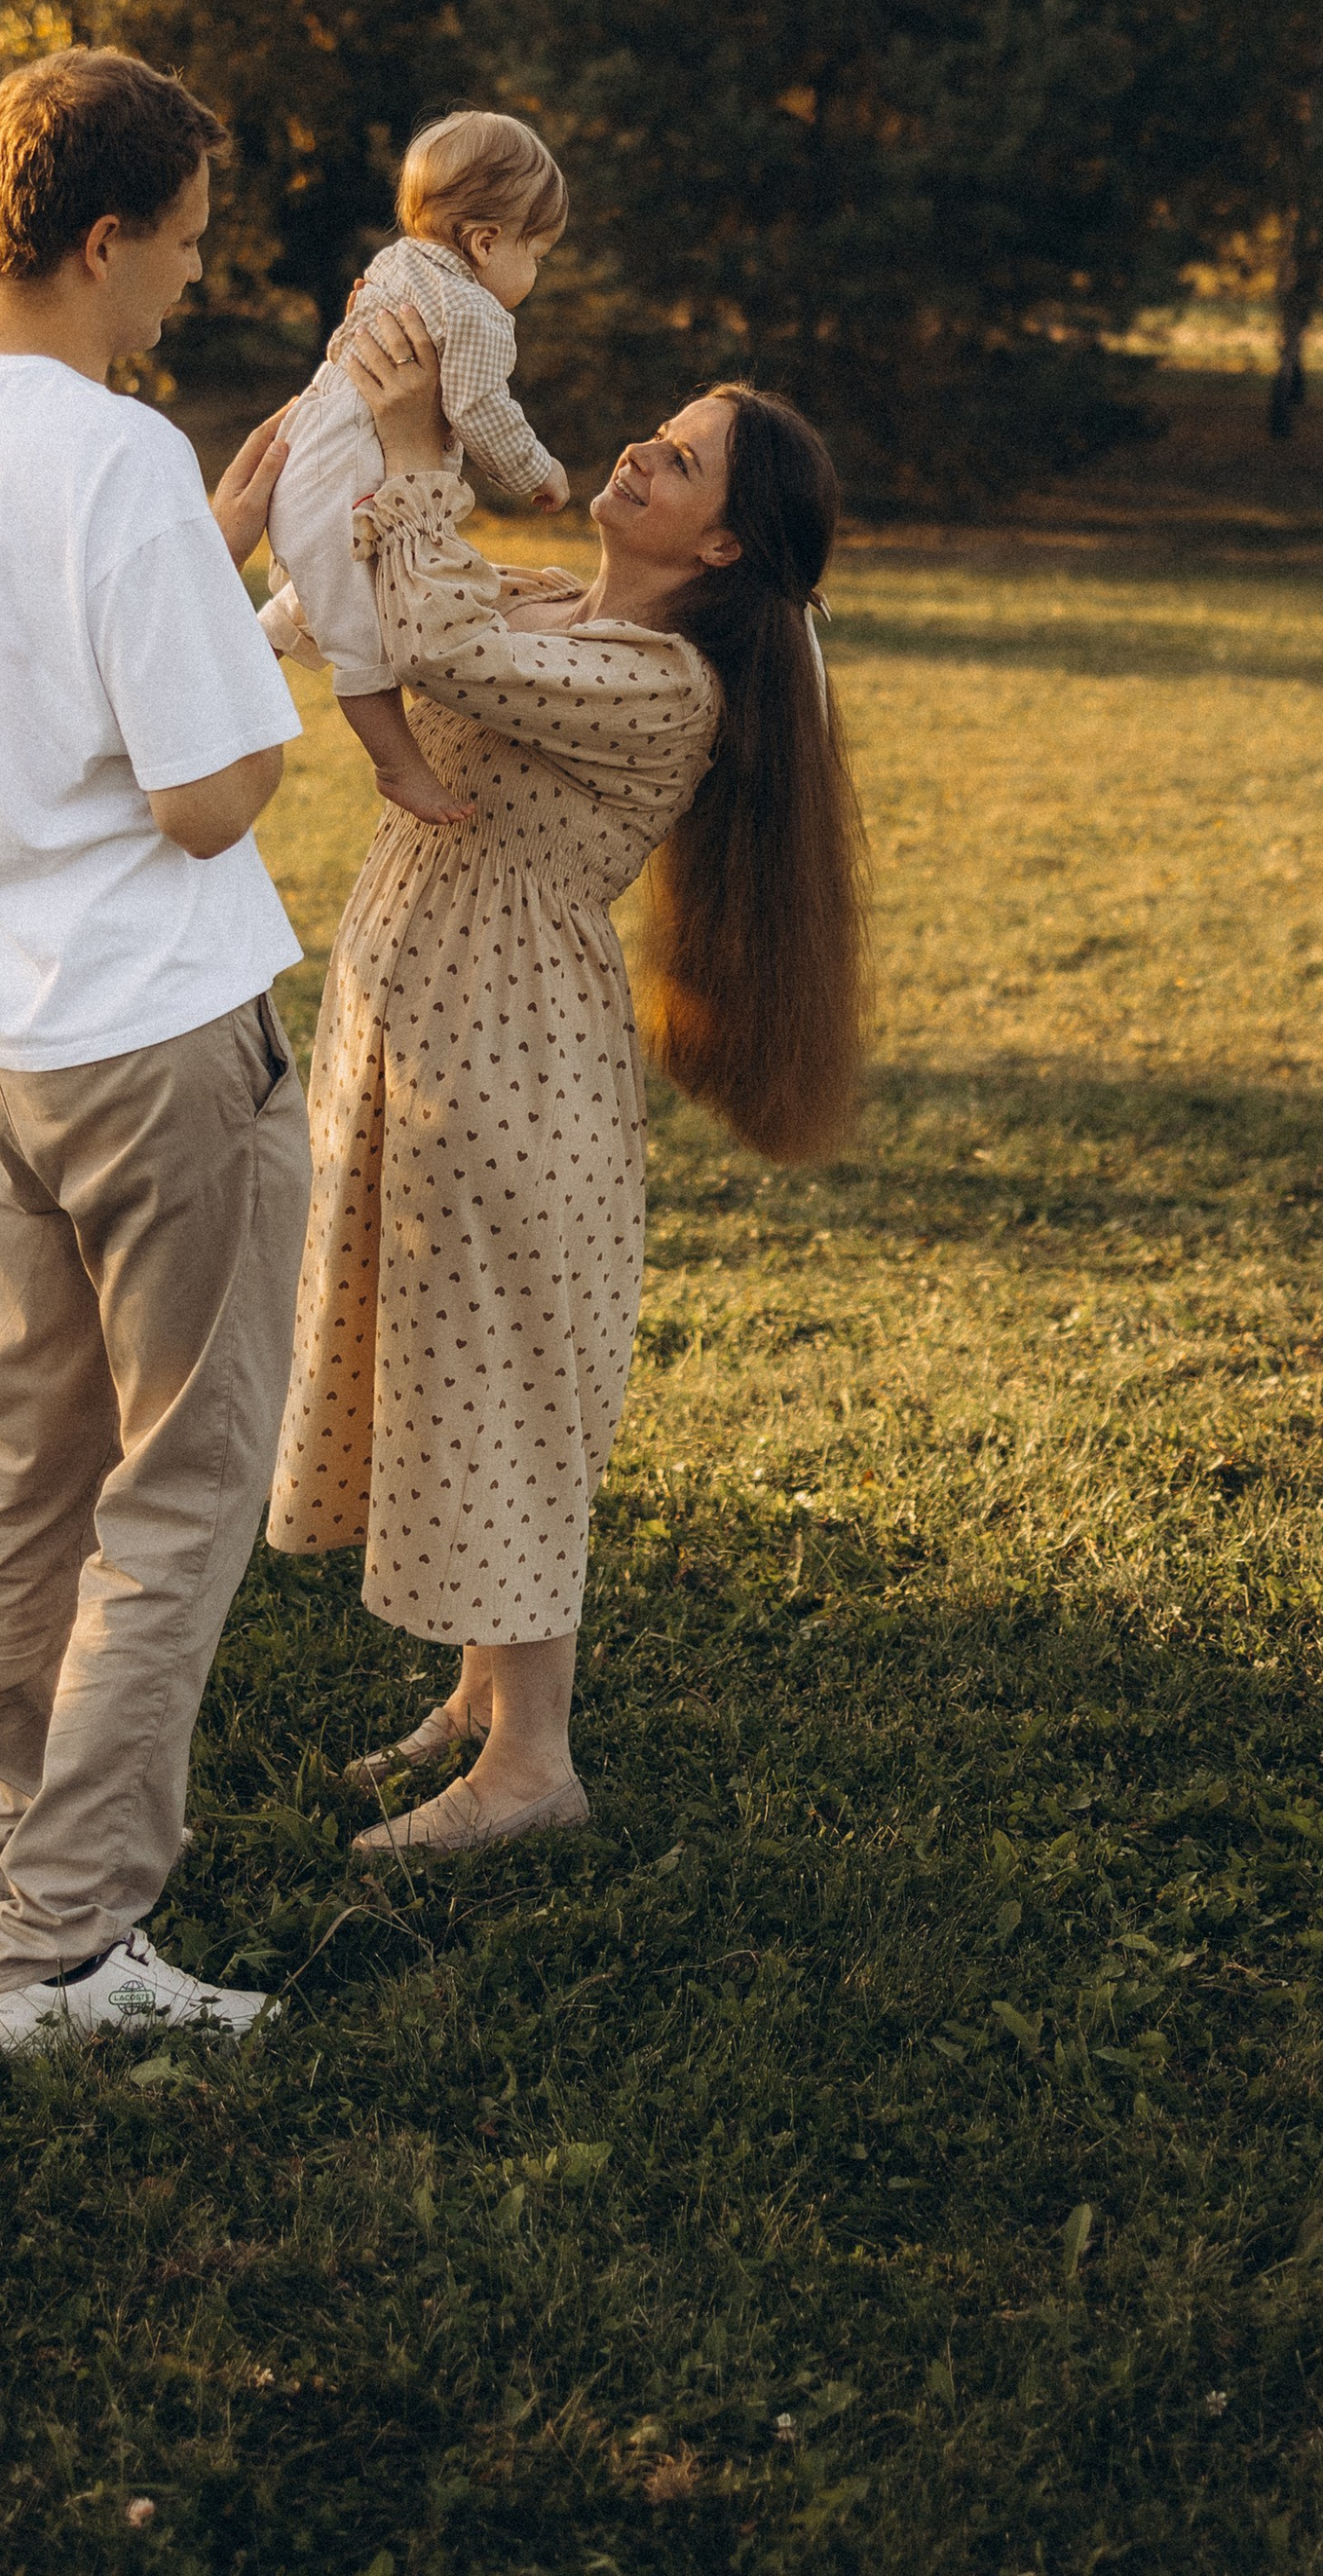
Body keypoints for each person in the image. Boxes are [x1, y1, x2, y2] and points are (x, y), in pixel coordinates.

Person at [0, 47, 311, 2050]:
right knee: (179, 1488)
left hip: (1, 1043)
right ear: (104, 238)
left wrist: (206, 560)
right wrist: (247, 621)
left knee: (31, 1467)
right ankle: (64, 1956)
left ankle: (23, 1848)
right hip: (163, 1040)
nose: (188, 289)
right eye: (181, 251)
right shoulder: (112, 454)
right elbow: (208, 793)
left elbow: (32, 669)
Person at [264, 303, 869, 1858]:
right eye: (654, 433)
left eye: (677, 461)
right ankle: (481, 1700)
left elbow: (436, 639)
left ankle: (535, 1769)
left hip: (508, 1052)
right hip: (422, 1025)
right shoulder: (551, 602)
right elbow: (374, 617)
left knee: (498, 1383)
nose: (637, 452)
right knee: (445, 1359)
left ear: (727, 548)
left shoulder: (668, 684)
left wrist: (414, 453)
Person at [259, 110, 571, 832]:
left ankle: (260, 641)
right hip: (350, 482)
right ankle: (397, 763)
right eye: (539, 254)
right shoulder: (476, 315)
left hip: (311, 459)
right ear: (488, 243)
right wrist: (537, 471)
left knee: (340, 580)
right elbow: (480, 408)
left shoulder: (396, 264)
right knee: (371, 632)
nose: (536, 272)